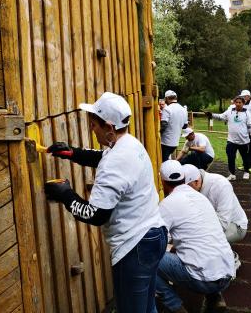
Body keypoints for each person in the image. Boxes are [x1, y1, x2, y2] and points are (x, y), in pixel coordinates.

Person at [44, 92, 167, 312]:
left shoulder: (115, 163)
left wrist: (65, 194)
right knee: (147, 307)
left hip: (134, 246)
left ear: (109, 127)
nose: (92, 128)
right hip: (154, 235)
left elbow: (96, 215)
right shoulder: (130, 144)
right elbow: (102, 157)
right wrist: (72, 153)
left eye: (94, 125)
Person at [156, 160, 234, 313]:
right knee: (203, 251)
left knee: (145, 260)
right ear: (184, 178)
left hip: (202, 280)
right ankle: (215, 298)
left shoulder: (167, 204)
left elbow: (156, 242)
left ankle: (176, 307)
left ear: (163, 181)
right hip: (227, 273)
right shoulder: (202, 198)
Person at [183, 164, 248, 274]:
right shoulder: (195, 186)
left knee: (202, 244)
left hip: (235, 225)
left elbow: (223, 223)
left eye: (188, 188)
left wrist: (199, 237)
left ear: (196, 182)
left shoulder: (221, 184)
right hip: (211, 223)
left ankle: (232, 259)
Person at [205, 95, 251, 181]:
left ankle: (246, 172)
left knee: (245, 157)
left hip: (244, 141)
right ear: (234, 103)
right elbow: (220, 117)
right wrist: (211, 115)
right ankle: (232, 174)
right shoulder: (230, 111)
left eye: (240, 102)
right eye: (237, 102)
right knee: (230, 157)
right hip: (231, 140)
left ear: (243, 103)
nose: (238, 104)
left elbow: (250, 125)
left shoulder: (247, 113)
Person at [160, 90, 188, 162]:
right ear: (176, 98)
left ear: (166, 98)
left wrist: (158, 134)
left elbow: (164, 125)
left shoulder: (167, 109)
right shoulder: (183, 110)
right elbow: (185, 126)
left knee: (163, 162)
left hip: (165, 142)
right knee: (166, 160)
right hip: (175, 142)